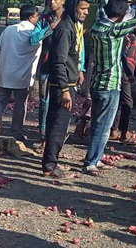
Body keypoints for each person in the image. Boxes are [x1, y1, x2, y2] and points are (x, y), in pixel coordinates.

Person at [81, 0, 136, 175]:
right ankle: (91, 162)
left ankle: (95, 157)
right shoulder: (114, 31)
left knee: (97, 124)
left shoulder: (97, 26)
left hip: (96, 82)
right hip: (110, 85)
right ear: (120, 16)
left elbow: (103, 10)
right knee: (104, 127)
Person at [0, 5, 43, 145]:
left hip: (5, 75)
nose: (38, 19)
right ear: (31, 16)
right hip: (24, 78)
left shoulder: (9, 30)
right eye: (37, 16)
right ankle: (16, 133)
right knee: (20, 105)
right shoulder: (36, 35)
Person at [41, 0, 90, 178]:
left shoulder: (72, 26)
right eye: (82, 9)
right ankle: (50, 165)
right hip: (62, 86)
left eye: (87, 10)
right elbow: (59, 61)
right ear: (73, 7)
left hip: (67, 84)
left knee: (57, 124)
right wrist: (64, 90)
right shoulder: (65, 29)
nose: (85, 13)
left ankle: (51, 162)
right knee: (58, 126)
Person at [31, 0, 65, 141]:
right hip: (46, 66)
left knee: (63, 101)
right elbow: (33, 39)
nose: (52, 2)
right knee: (44, 101)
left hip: (64, 67)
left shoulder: (69, 18)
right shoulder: (44, 19)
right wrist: (49, 28)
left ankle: (57, 134)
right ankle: (43, 135)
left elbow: (79, 42)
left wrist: (80, 68)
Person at [111, 19, 136, 145]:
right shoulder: (129, 38)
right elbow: (123, 57)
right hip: (124, 74)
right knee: (127, 103)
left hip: (126, 74)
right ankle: (123, 132)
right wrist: (128, 73)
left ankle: (114, 130)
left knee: (118, 102)